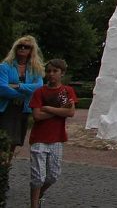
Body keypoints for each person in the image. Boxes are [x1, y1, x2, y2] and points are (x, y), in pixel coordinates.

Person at [29, 58, 77, 208]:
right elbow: (37, 116)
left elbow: (70, 112)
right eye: (48, 71)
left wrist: (48, 109)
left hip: (56, 138)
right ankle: (34, 204)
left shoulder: (67, 91)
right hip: (39, 138)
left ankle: (40, 194)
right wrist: (59, 111)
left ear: (62, 73)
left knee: (53, 175)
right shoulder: (39, 92)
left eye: (55, 71)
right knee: (38, 176)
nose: (51, 74)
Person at [0, 35, 44, 159]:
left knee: (15, 142)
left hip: (23, 110)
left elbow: (39, 87)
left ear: (31, 50)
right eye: (20, 46)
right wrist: (26, 93)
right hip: (6, 108)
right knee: (4, 141)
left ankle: (5, 169)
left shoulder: (35, 69)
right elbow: (3, 89)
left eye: (27, 47)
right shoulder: (5, 67)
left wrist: (18, 86)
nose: (23, 48)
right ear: (15, 48)